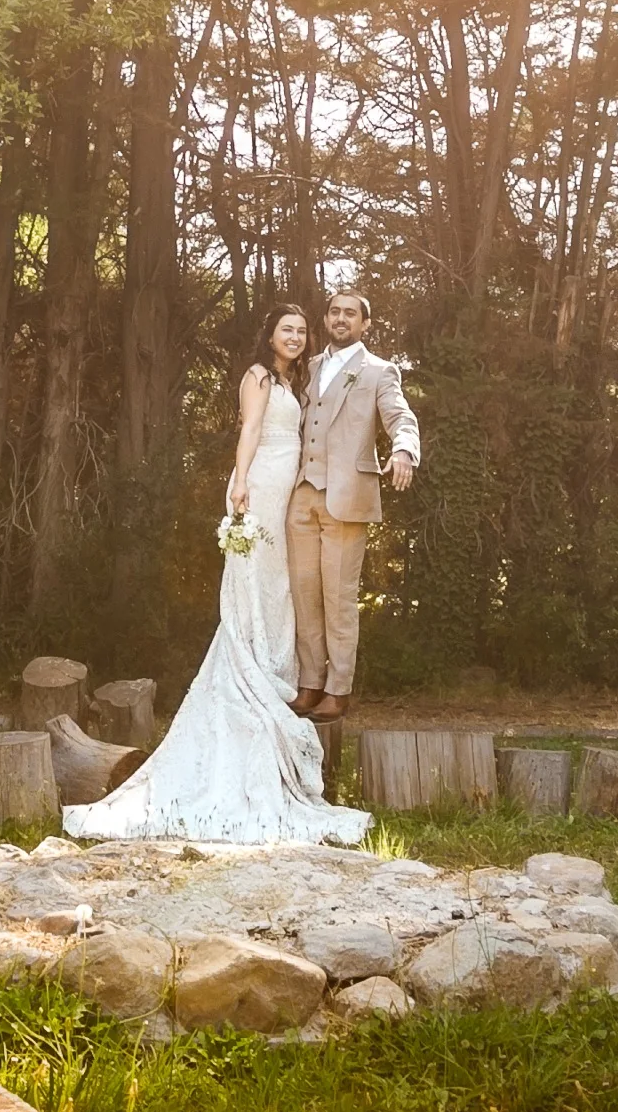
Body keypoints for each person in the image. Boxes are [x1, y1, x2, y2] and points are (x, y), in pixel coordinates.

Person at [60, 306, 373, 849]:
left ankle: (279, 673)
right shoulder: (257, 376)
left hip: (291, 492)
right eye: (286, 330)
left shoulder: (298, 379)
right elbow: (251, 427)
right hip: (262, 483)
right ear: (270, 336)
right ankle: (249, 674)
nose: (295, 338)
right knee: (255, 584)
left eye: (301, 331)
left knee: (283, 591)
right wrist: (241, 484)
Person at [288, 290, 419, 721]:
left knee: (338, 597)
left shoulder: (380, 371)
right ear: (326, 319)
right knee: (304, 594)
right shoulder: (308, 367)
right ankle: (309, 683)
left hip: (347, 497)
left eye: (351, 313)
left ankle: (338, 689)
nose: (341, 319)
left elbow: (401, 417)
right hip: (301, 494)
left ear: (365, 324)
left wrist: (403, 451)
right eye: (335, 312)